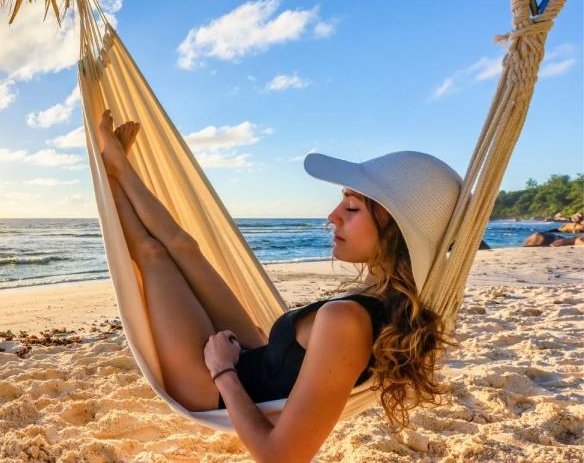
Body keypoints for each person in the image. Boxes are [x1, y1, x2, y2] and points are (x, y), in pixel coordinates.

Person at [96, 109, 461, 462]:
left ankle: (109, 176)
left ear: (397, 232)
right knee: (185, 249)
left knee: (152, 254)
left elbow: (281, 457)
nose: (332, 215)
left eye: (351, 208)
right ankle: (122, 169)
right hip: (259, 357)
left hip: (210, 385)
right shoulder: (384, 292)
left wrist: (222, 370)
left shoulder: (347, 321)